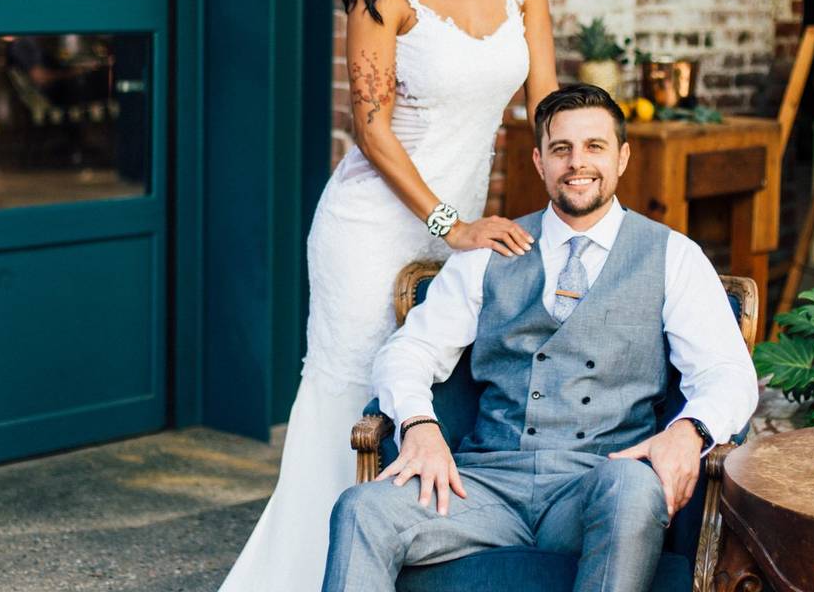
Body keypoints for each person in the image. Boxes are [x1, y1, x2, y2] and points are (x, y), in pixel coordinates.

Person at [322, 84, 759, 592]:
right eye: (561, 149)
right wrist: (419, 424)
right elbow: (410, 349)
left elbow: (729, 374)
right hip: (482, 487)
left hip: (599, 484)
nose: (578, 163)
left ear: (622, 156)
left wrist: (689, 433)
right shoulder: (488, 251)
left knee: (634, 488)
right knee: (362, 508)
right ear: (538, 161)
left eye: (594, 147)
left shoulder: (672, 256)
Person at [219, 0, 558, 590]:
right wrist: (452, 228)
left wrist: (564, 207)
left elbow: (546, 108)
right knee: (353, 404)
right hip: (371, 229)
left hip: (459, 226)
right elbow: (371, 132)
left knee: (423, 389)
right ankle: (309, 574)